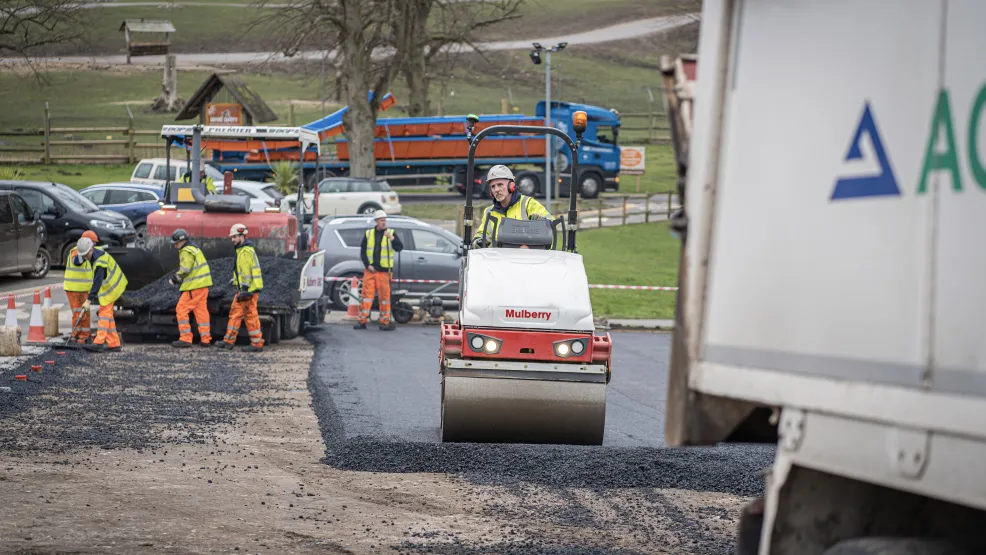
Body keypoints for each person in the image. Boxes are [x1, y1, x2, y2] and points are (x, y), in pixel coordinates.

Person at [472, 165, 551, 248]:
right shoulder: (489, 212)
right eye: (493, 186)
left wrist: (541, 223)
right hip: (500, 259)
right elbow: (480, 235)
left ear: (511, 186)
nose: (496, 190)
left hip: (527, 258)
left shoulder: (528, 204)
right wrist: (478, 242)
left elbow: (551, 225)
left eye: (500, 185)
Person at [75, 237, 128, 353]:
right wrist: (79, 258)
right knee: (107, 316)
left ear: (91, 250)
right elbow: (78, 260)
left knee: (103, 313)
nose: (85, 258)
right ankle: (114, 344)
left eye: (85, 256)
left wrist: (88, 300)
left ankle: (98, 342)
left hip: (113, 288)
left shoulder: (100, 263)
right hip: (110, 287)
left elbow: (97, 283)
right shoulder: (94, 252)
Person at [219, 223, 264, 352]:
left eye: (235, 237)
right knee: (235, 314)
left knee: (250, 316)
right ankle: (228, 341)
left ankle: (256, 344)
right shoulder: (242, 251)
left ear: (242, 236)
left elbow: (246, 273)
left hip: (248, 291)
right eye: (232, 237)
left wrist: (245, 290)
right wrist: (236, 282)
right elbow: (242, 272)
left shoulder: (244, 252)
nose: (232, 240)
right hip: (244, 290)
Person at [355, 210, 403, 331]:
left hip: (384, 272)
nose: (384, 222)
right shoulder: (369, 234)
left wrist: (391, 238)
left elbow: (399, 247)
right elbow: (363, 251)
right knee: (366, 296)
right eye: (381, 220)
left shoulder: (390, 233)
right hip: (370, 271)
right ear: (376, 221)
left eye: (385, 220)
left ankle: (384, 322)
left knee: (385, 298)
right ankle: (362, 321)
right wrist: (367, 265)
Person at [169, 228, 214, 348]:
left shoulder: (186, 251)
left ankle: (185, 338)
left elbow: (185, 269)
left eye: (176, 243)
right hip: (203, 285)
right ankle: (206, 339)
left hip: (193, 286)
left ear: (182, 241)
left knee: (181, 309)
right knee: (201, 312)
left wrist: (174, 279)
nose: (175, 246)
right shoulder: (194, 249)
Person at [63, 230, 99, 344]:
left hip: (84, 289)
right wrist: (86, 252)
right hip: (73, 289)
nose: (94, 246)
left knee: (86, 313)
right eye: (93, 243)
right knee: (78, 313)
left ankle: (85, 335)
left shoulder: (90, 253)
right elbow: (77, 261)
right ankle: (75, 336)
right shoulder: (75, 252)